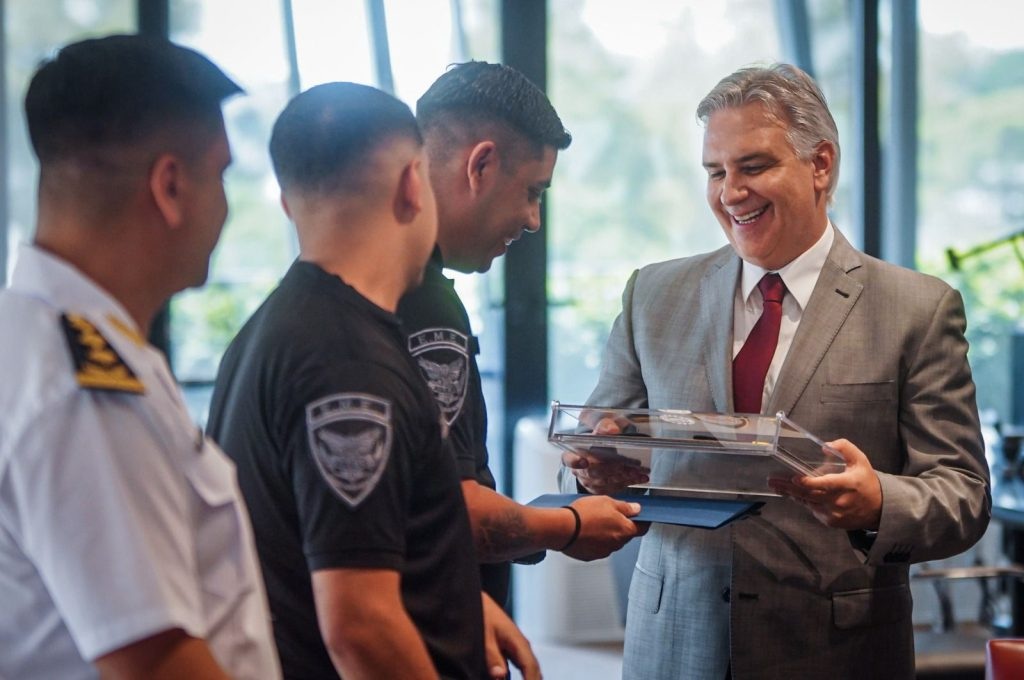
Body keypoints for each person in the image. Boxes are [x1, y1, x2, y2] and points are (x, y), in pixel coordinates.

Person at [561, 63, 991, 679]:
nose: (730, 192)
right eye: (716, 171)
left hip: (834, 651)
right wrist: (591, 468)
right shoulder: (652, 294)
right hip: (673, 644)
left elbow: (964, 494)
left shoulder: (917, 309)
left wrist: (878, 503)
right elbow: (605, 438)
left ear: (821, 165)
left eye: (754, 166)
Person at [206, 81, 538, 680]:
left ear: (288, 202)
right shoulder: (347, 362)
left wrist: (461, 605)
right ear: (415, 184)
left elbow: (363, 540)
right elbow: (359, 625)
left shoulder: (275, 327)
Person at [0, 35, 281, 679]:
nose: (226, 205)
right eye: (221, 176)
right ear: (171, 186)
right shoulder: (84, 391)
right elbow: (158, 662)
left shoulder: (35, 339)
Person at [400, 61, 643, 606]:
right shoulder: (424, 303)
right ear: (481, 164)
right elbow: (447, 513)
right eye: (533, 191)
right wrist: (570, 526)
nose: (534, 219)